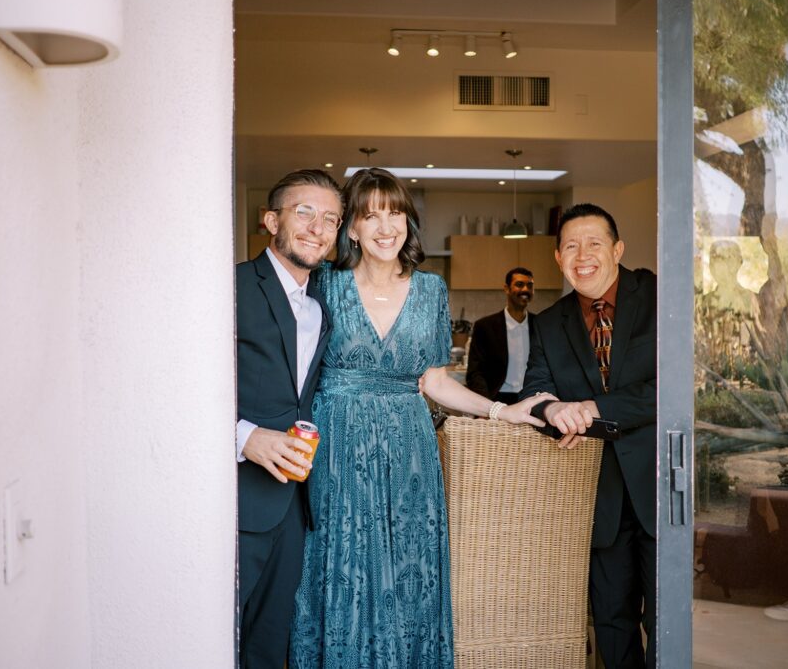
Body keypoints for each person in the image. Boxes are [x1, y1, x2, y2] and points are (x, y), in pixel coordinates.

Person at [290, 168, 553, 668]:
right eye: (371, 215)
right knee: (343, 567)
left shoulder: (431, 290)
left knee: (410, 574)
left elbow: (433, 381)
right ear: (351, 229)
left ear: (408, 223)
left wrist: (502, 410)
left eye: (396, 214)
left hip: (410, 451)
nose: (386, 227)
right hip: (339, 449)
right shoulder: (323, 283)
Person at [520, 203, 657, 669]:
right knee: (612, 624)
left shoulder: (658, 295)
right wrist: (552, 406)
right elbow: (534, 390)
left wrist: (595, 408)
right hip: (595, 497)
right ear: (558, 258)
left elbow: (674, 387)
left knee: (666, 623)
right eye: (571, 246)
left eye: (594, 243)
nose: (583, 255)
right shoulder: (547, 322)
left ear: (617, 249)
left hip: (660, 488)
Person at [235, 169, 342, 668]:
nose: (317, 227)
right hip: (235, 498)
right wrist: (245, 437)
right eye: (304, 212)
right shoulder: (230, 285)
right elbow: (175, 385)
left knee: (270, 643)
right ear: (270, 219)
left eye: (330, 219)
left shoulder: (321, 303)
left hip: (294, 503)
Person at [465, 267, 536, 404]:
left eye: (530, 285)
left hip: (532, 399)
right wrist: (486, 406)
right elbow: (475, 373)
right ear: (506, 288)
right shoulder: (485, 327)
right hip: (497, 400)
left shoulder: (540, 325)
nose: (525, 290)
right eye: (519, 284)